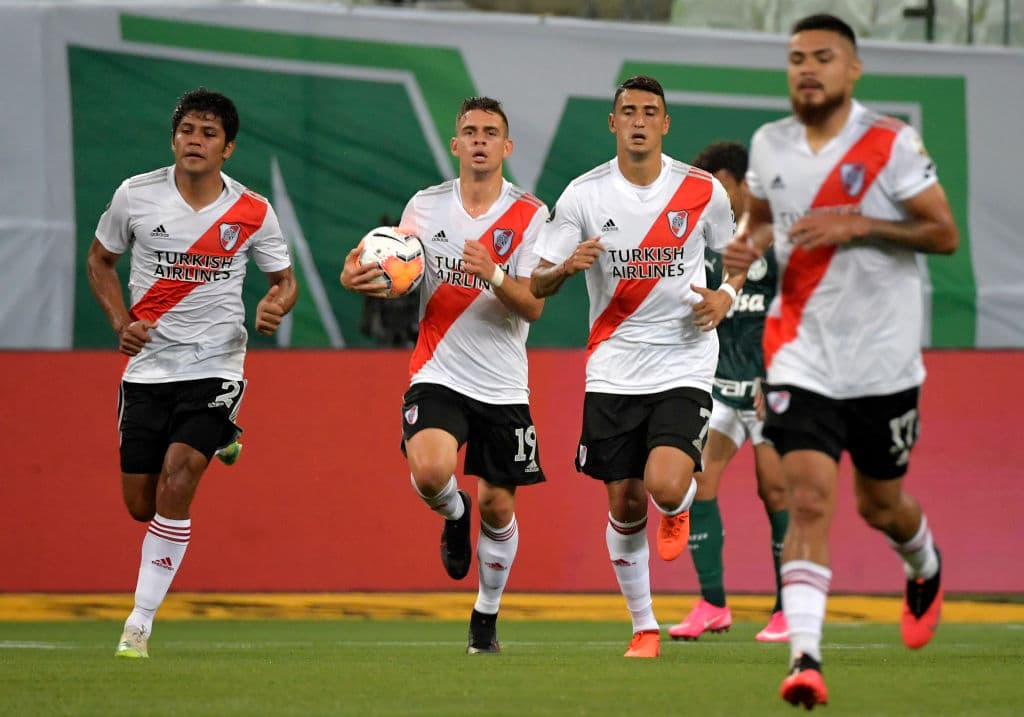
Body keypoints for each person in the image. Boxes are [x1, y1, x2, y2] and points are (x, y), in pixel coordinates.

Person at [722, 14, 957, 709]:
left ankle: (925, 563)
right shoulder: (769, 142)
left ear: (852, 70)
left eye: (823, 57)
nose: (807, 69)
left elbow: (943, 233)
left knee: (880, 504)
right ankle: (805, 659)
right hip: (801, 354)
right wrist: (747, 245)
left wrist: (860, 224)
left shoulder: (891, 144)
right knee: (809, 499)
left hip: (884, 364)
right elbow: (763, 219)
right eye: (796, 58)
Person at [531, 76, 739, 658]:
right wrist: (566, 267)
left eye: (651, 112)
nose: (640, 121)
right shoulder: (582, 196)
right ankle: (644, 626)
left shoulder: (701, 191)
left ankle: (675, 506)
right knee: (623, 502)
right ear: (613, 124)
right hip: (613, 368)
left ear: (665, 124)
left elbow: (738, 254)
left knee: (664, 484)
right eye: (629, 112)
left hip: (684, 360)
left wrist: (727, 294)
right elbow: (537, 283)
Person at [86, 87, 298, 658]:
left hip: (217, 363)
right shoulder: (135, 195)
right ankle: (225, 437)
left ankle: (138, 624)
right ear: (174, 138)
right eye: (187, 130)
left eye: (208, 133)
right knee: (142, 504)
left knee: (179, 479)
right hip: (149, 369)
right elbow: (100, 260)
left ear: (227, 148)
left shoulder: (251, 209)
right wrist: (119, 321)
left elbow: (284, 278)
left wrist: (277, 303)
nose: (195, 141)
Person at [340, 97, 548, 654]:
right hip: (438, 370)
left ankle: (486, 615)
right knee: (433, 473)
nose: (479, 140)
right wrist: (357, 272)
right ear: (456, 145)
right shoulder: (425, 206)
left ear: (506, 147)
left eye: (491, 133)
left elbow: (531, 306)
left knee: (498, 507)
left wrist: (495, 274)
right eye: (470, 131)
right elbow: (390, 262)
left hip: (503, 382)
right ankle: (453, 515)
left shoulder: (531, 215)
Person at [668, 141, 789, 643]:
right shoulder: (702, 237)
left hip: (768, 387)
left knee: (775, 490)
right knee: (700, 483)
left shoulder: (775, 238)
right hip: (720, 386)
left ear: (744, 183)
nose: (715, 194)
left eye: (722, 184)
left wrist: (781, 376)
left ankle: (789, 609)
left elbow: (800, 311)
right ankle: (713, 604)